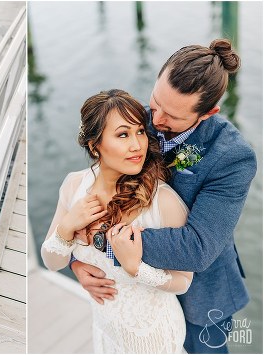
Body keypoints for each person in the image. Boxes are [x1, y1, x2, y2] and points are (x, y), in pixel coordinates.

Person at [70, 39, 257, 353]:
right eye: (155, 102)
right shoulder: (137, 120)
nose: (154, 122)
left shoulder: (233, 157)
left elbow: (198, 248)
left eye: (171, 116)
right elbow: (99, 189)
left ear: (208, 112)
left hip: (201, 299)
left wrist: (104, 243)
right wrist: (77, 260)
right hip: (137, 292)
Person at [42, 89, 192, 353]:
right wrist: (67, 227)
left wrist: (136, 268)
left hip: (153, 339)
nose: (137, 145)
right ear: (94, 145)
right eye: (123, 134)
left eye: (140, 132)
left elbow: (183, 281)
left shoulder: (163, 201)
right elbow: (52, 262)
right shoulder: (73, 186)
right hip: (104, 328)